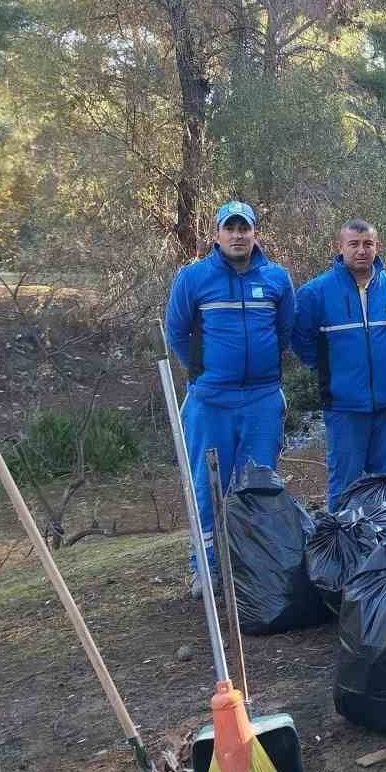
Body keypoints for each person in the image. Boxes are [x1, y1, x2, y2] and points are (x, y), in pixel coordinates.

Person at [164, 201, 296, 598]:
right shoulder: (193, 278)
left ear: (256, 233)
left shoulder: (276, 279)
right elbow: (176, 333)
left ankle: (247, 569)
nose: (238, 235)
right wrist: (205, 372)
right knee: (208, 486)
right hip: (210, 401)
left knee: (256, 486)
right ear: (217, 234)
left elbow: (285, 330)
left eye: (245, 228)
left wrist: (261, 367)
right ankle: (205, 569)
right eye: (230, 228)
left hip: (262, 400)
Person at [291, 220, 386, 510]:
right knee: (344, 484)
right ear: (340, 247)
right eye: (354, 244)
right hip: (344, 405)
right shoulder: (315, 292)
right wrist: (327, 369)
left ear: (377, 247)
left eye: (368, 244)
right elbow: (300, 339)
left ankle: (384, 545)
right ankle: (342, 549)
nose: (361, 250)